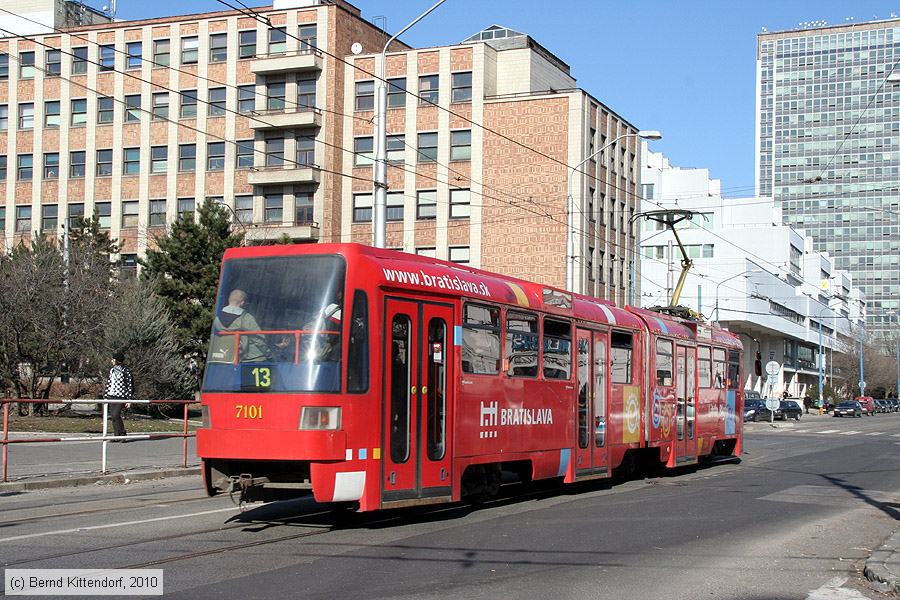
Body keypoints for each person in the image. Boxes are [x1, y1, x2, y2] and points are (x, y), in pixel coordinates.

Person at [208, 288, 269, 363]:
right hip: (246, 359)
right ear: (242, 303)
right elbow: (258, 339)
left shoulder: (216, 318)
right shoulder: (246, 318)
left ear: (229, 300)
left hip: (222, 358)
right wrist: (268, 354)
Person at [105, 351, 134, 442]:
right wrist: (106, 395)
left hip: (121, 396)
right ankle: (116, 435)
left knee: (116, 414)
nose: (112, 361)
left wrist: (129, 399)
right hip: (111, 395)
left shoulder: (126, 370)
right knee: (113, 416)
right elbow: (109, 383)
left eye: (113, 359)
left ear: (117, 360)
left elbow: (130, 385)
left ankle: (122, 434)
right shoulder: (112, 370)